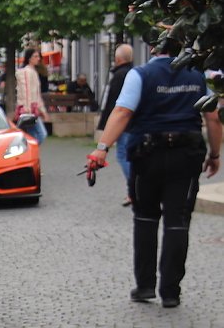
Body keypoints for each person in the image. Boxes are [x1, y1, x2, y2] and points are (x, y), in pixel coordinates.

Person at [88, 37, 222, 308]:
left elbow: (123, 111)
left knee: (145, 219)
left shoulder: (140, 75)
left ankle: (145, 285)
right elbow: (212, 117)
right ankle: (171, 292)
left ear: (153, 48)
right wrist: (215, 154)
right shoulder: (198, 76)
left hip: (147, 155)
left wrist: (102, 148)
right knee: (177, 221)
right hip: (186, 155)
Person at [97, 44, 135, 206]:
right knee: (129, 156)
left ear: (118, 59)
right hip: (134, 122)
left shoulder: (119, 76)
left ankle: (134, 191)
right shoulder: (134, 73)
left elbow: (113, 104)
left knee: (123, 155)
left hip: (124, 123)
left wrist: (106, 127)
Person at [15, 48, 50, 144]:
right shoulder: (27, 72)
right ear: (29, 58)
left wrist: (43, 111)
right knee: (41, 134)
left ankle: (29, 150)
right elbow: (26, 91)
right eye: (35, 56)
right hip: (29, 108)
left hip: (33, 107)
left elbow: (37, 95)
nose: (38, 59)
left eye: (38, 56)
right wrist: (27, 108)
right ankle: (29, 150)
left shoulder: (33, 71)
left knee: (33, 135)